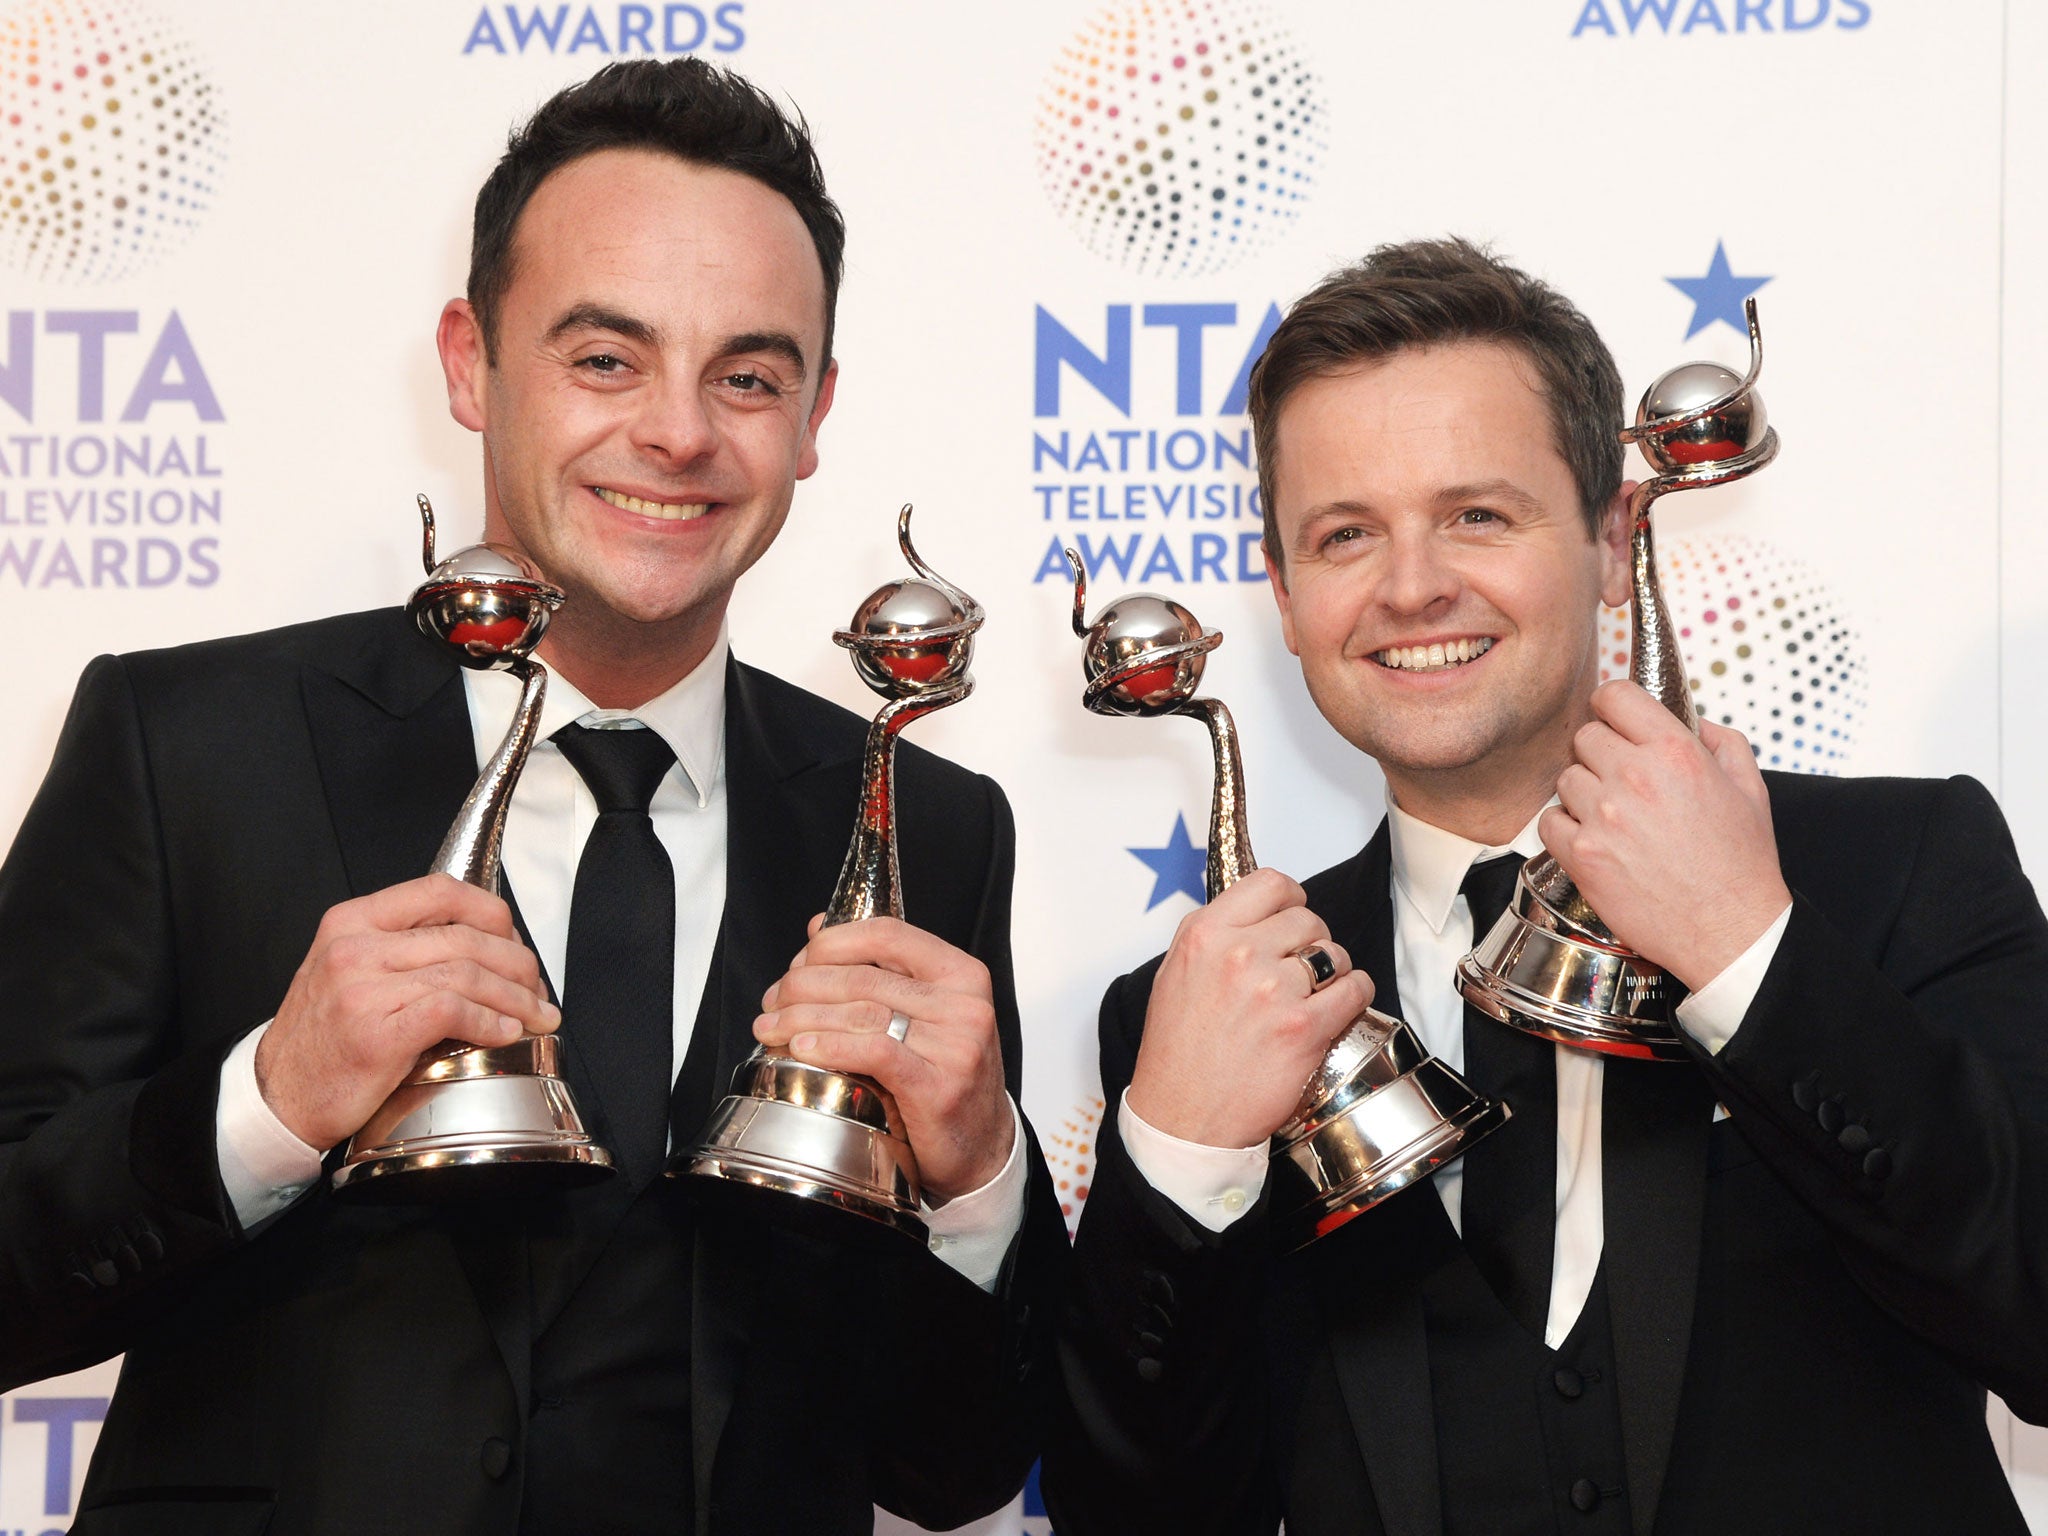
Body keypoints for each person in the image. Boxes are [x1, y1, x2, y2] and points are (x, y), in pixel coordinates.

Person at [0, 59, 1063, 1535]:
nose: (680, 435)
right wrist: (271, 1099)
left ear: (816, 417)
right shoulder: (184, 744)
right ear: (469, 361)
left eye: (747, 376)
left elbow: (950, 1470)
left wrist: (980, 1178)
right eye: (606, 358)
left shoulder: (927, 830)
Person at [1042, 237, 2048, 1534]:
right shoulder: (1207, 1009)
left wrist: (1754, 957)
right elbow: (1140, 1516)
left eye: (1478, 513)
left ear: (1611, 533)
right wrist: (1177, 1159)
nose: (1412, 587)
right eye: (1347, 535)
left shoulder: (1894, 869)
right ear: (1285, 598)